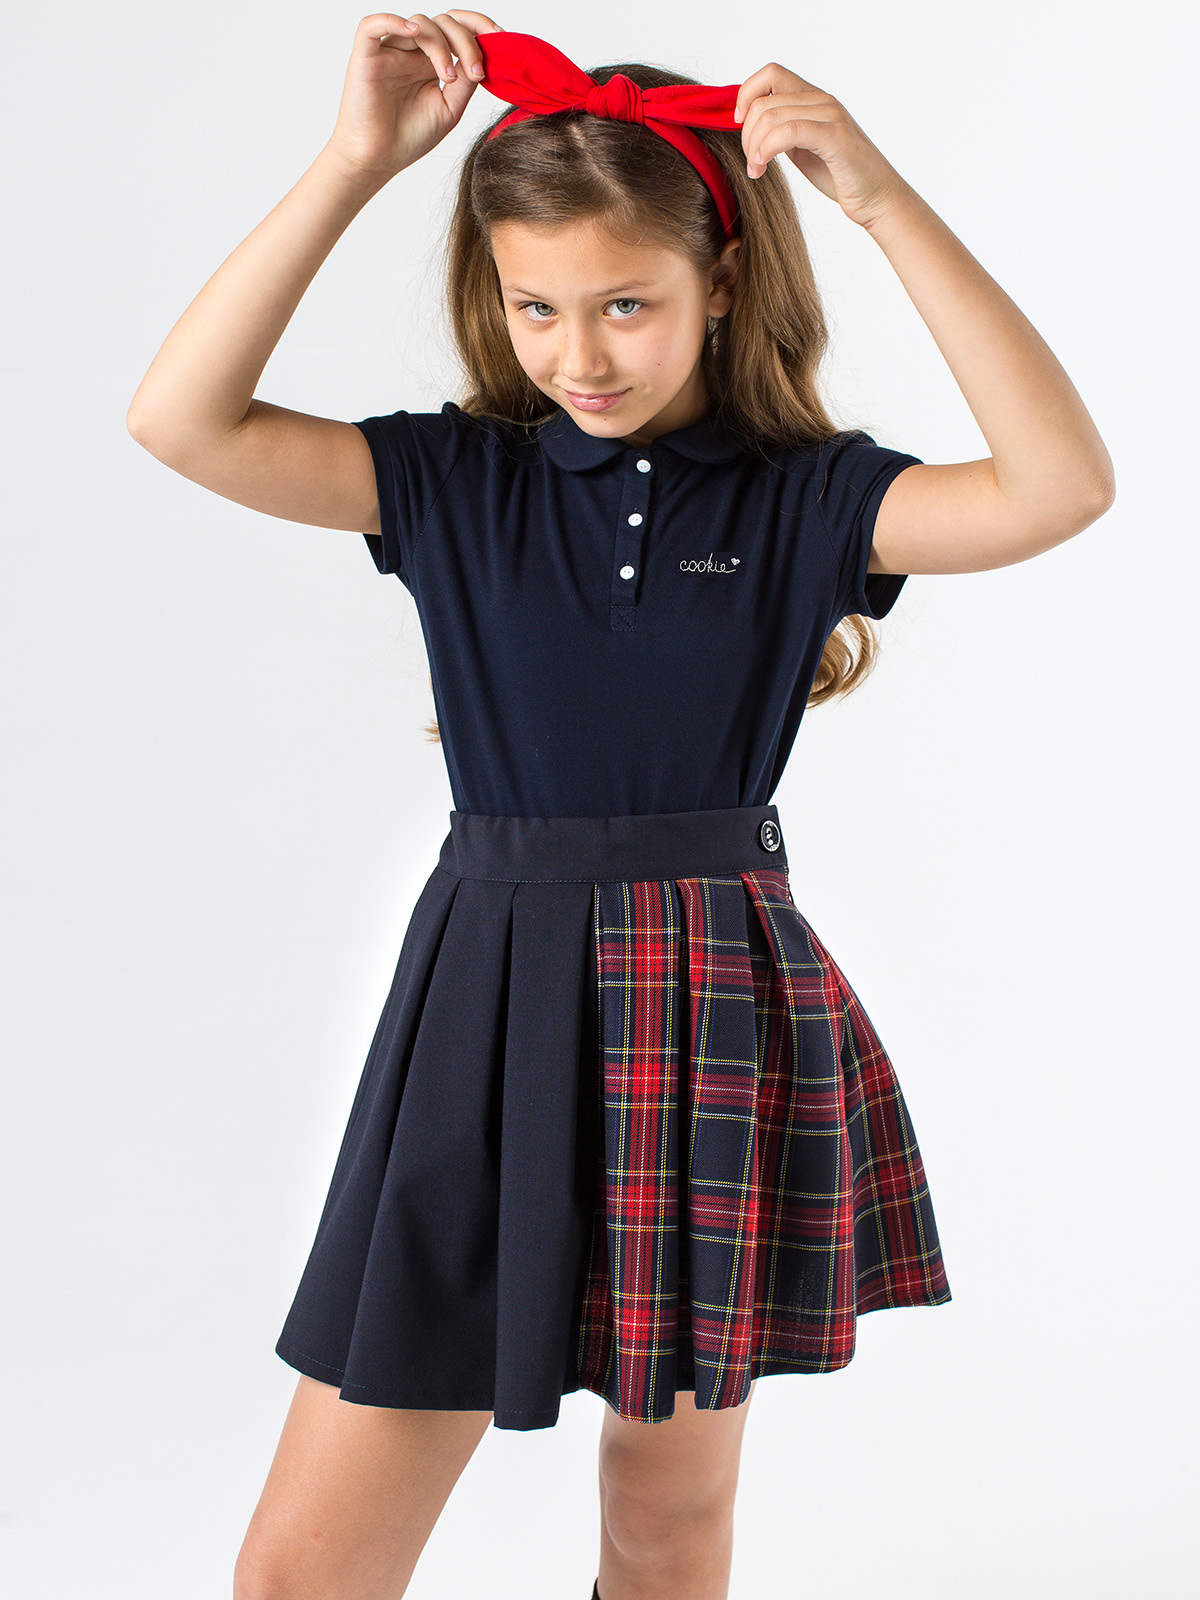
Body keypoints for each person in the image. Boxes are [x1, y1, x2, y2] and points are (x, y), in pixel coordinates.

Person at [126, 13, 1115, 1600]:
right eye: (537, 306)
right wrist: (356, 162)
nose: (578, 355)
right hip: (483, 1008)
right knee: (302, 1573)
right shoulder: (458, 482)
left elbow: (1060, 487)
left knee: (665, 1528)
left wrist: (878, 197)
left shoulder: (808, 499)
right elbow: (180, 420)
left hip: (709, 1002)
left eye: (626, 305)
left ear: (722, 285)